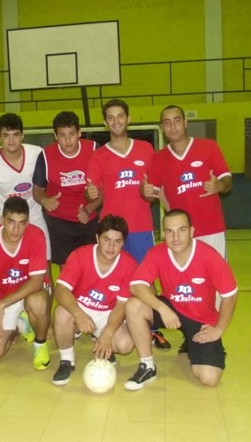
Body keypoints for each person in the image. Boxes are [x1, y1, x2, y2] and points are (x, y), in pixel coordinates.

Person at [85, 98, 171, 350]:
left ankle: (152, 330)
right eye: (110, 117)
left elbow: (152, 191)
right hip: (111, 232)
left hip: (141, 226)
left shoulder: (145, 149)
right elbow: (92, 193)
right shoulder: (98, 156)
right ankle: (107, 326)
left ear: (128, 118)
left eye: (120, 116)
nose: (116, 121)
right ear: (105, 123)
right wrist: (90, 194)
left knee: (146, 280)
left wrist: (149, 193)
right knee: (110, 278)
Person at [124, 209, 238, 390]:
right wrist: (162, 308)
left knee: (209, 378)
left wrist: (218, 330)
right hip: (172, 309)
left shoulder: (209, 256)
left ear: (191, 231)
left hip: (200, 319)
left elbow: (230, 295)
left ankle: (194, 345)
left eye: (181, 230)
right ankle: (147, 366)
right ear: (164, 234)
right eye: (169, 231)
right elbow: (136, 286)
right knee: (133, 306)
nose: (175, 237)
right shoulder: (157, 253)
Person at [51, 214, 137, 386]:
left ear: (123, 243)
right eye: (106, 239)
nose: (111, 247)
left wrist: (108, 333)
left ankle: (102, 342)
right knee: (61, 313)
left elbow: (121, 306)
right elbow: (60, 290)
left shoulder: (129, 265)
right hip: (81, 307)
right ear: (97, 238)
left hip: (108, 313)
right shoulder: (80, 255)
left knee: (125, 345)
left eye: (117, 241)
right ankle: (67, 361)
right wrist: (79, 314)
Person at [0, 196, 51, 370]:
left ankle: (40, 344)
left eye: (22, 223)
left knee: (37, 302)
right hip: (4, 295)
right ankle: (19, 327)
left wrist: (1, 305)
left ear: (28, 222)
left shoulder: (36, 235)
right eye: (11, 222)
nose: (16, 229)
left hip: (31, 293)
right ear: (1, 220)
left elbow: (37, 282)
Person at [142, 105, 232, 259]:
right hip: (179, 232)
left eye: (177, 120)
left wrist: (220, 185)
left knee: (215, 273)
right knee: (184, 274)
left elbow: (228, 180)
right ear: (162, 128)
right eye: (167, 122)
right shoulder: (158, 158)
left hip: (211, 228)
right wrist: (144, 192)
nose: (173, 126)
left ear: (185, 122)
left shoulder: (209, 147)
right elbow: (151, 196)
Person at [0, 112, 51, 263]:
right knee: (7, 267)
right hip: (3, 218)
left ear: (22, 135)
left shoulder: (37, 154)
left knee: (44, 264)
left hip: (33, 216)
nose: (11, 140)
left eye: (15, 134)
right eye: (6, 135)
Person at [32, 110, 102, 271]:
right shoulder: (46, 156)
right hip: (59, 222)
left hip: (88, 219)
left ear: (79, 133)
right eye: (62, 135)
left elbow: (104, 188)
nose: (68, 140)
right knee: (67, 271)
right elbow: (37, 190)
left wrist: (89, 209)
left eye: (72, 134)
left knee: (91, 268)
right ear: (55, 136)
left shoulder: (94, 150)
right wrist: (45, 200)